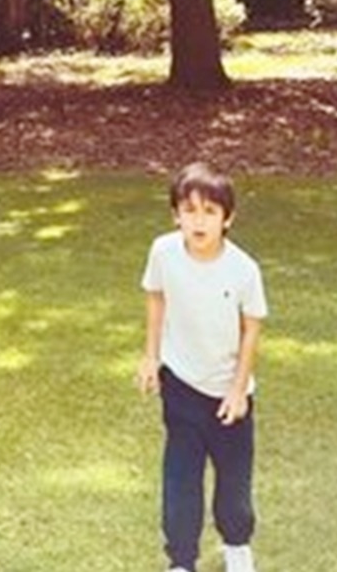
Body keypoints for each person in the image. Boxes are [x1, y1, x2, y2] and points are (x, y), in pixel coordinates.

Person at [137, 162, 268, 572]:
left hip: (230, 397)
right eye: (189, 210)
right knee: (180, 480)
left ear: (228, 218)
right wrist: (151, 355)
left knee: (233, 489)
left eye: (210, 212)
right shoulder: (163, 252)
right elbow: (156, 297)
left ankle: (237, 548)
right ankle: (180, 561)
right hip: (180, 387)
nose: (198, 220)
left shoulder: (244, 270)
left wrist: (237, 388)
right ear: (176, 214)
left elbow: (251, 330)